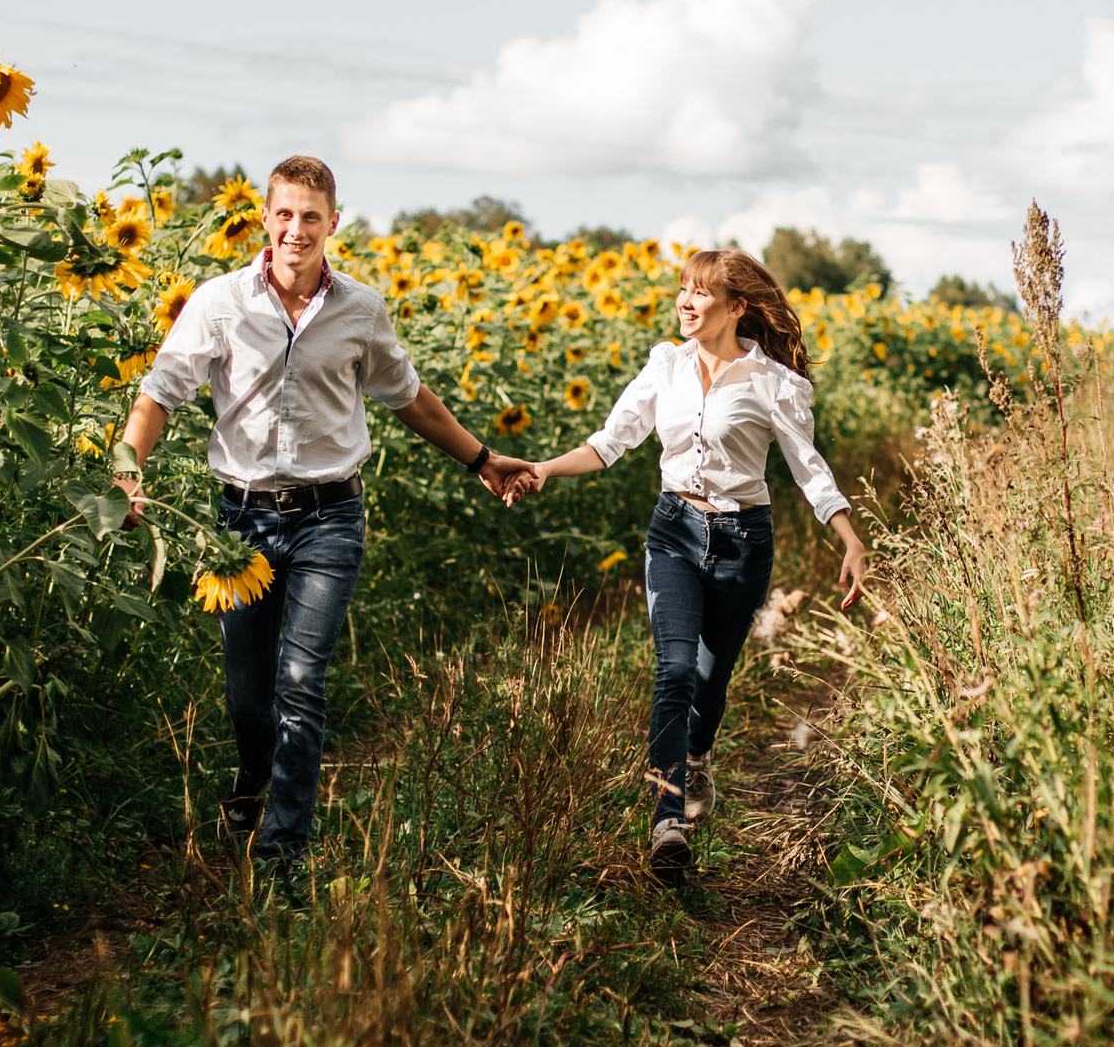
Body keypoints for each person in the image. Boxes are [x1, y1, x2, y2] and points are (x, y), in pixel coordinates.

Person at [114, 156, 537, 886]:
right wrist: (128, 470)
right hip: (240, 523)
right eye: (284, 214)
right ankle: (255, 774)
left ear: (333, 223)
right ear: (264, 218)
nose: (296, 229)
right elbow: (158, 394)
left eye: (311, 216)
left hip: (328, 518)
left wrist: (482, 459)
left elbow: (409, 398)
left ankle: (283, 855)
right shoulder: (219, 302)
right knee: (248, 695)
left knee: (302, 679)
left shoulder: (360, 309)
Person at [523, 248, 865, 885]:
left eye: (701, 292)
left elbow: (808, 467)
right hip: (674, 532)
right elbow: (611, 441)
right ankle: (667, 818)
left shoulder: (774, 383)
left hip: (743, 543)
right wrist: (544, 469)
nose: (685, 301)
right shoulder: (666, 365)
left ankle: (698, 756)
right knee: (674, 670)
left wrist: (849, 537)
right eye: (683, 288)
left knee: (710, 680)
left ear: (736, 307)